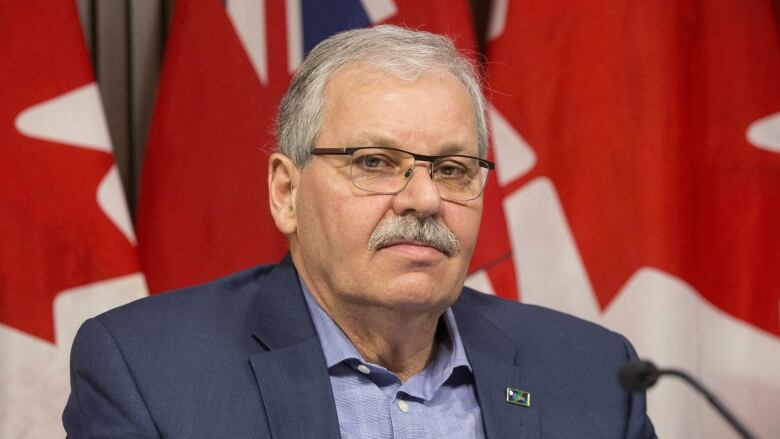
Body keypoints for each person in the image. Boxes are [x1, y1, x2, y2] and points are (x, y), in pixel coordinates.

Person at [63, 25, 656, 438]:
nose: (424, 198)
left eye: (452, 170)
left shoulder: (594, 374)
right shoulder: (149, 369)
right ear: (286, 193)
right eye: (374, 162)